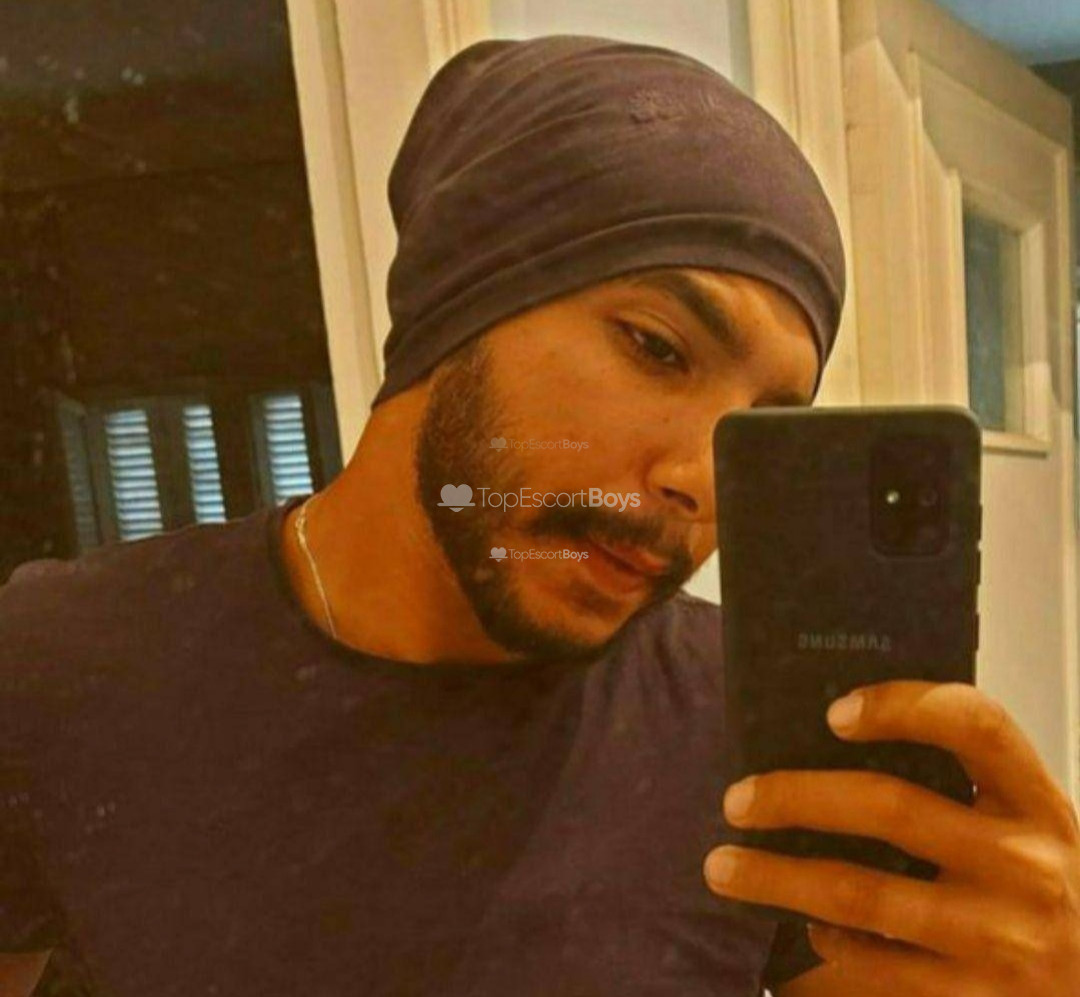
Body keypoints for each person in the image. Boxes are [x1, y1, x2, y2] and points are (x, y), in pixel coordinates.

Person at [0, 34, 1077, 997]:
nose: (703, 482)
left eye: (761, 427)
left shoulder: (749, 716)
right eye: (658, 347)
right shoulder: (63, 663)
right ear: (457, 301)